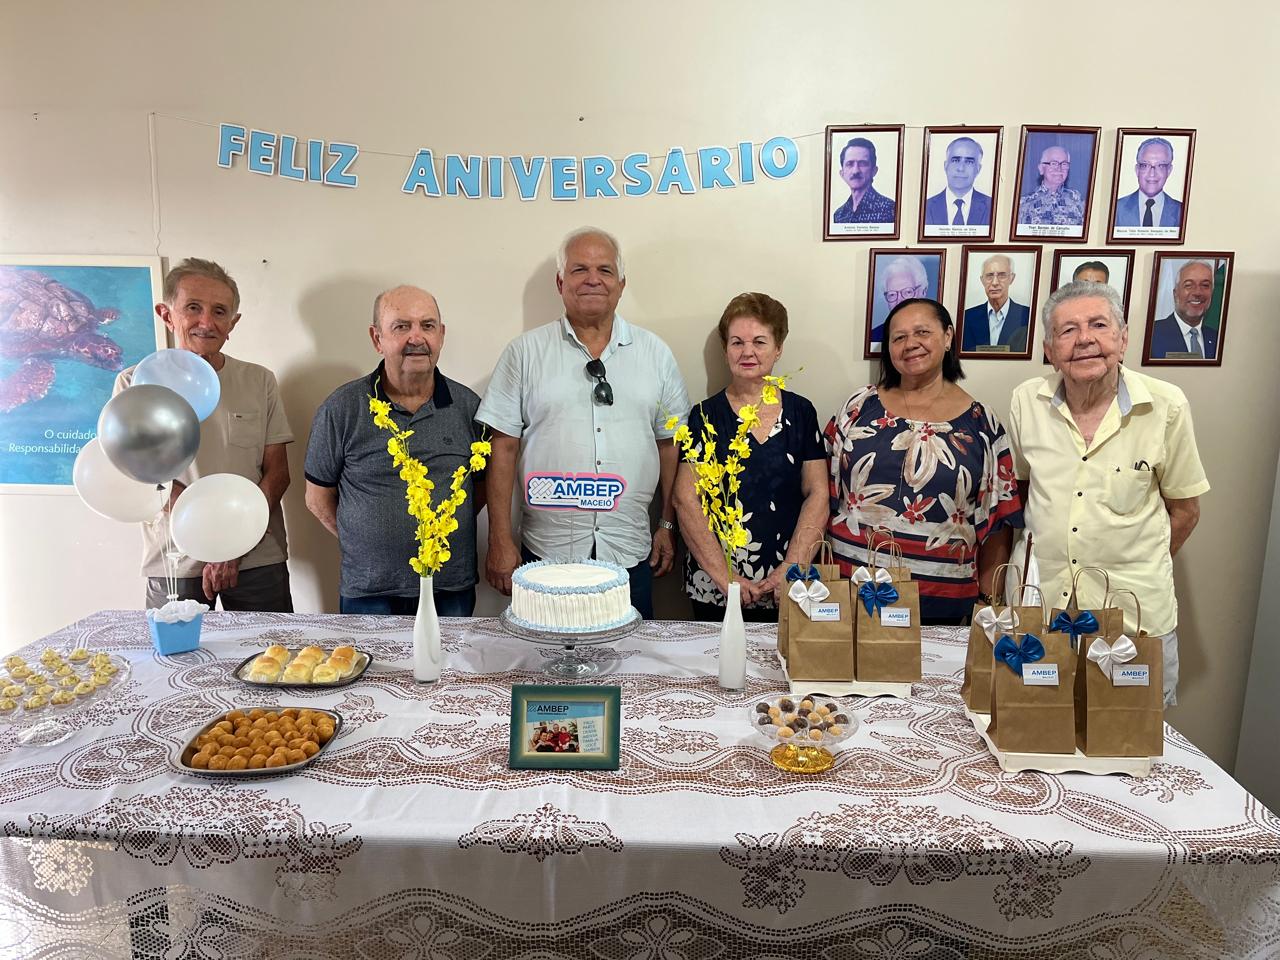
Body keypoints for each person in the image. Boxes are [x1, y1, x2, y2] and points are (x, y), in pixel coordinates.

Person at [1008, 281, 1209, 706]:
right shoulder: (1027, 401)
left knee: (1127, 748)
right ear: (1049, 348)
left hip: (1133, 620)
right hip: (1043, 612)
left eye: (1098, 325)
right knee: (1037, 732)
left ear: (1122, 338)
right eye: (1067, 330)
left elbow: (1185, 511)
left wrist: (1137, 563)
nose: (1084, 340)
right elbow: (1025, 494)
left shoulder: (1165, 406)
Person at [478, 227, 690, 619]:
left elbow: (670, 445)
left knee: (631, 668)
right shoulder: (524, 353)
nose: (593, 279)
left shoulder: (656, 355)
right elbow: (502, 448)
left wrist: (667, 524)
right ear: (560, 282)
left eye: (605, 270)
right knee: (548, 667)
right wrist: (500, 538)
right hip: (546, 552)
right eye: (579, 269)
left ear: (622, 284)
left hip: (629, 549)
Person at [825, 299, 1021, 624]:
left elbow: (998, 524)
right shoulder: (858, 406)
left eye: (922, 332)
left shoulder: (983, 423)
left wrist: (989, 601)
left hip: (943, 602)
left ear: (947, 337)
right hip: (849, 592)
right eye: (898, 337)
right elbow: (821, 491)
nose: (910, 344)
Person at [114, 258, 294, 612]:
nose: (206, 322)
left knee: (274, 660)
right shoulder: (134, 384)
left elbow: (278, 474)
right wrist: (212, 545)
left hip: (256, 555)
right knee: (173, 663)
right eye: (193, 308)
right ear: (167, 314)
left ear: (233, 323)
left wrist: (232, 547)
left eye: (219, 311)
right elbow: (147, 478)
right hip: (175, 561)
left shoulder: (259, 381)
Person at [304, 285, 485, 615]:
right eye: (401, 326)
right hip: (368, 591)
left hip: (448, 587)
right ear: (377, 338)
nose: (417, 337)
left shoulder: (468, 408)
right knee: (376, 668)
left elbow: (480, 490)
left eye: (427, 325)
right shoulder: (341, 408)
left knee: (448, 668)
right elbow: (317, 497)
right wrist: (365, 537)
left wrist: (440, 528)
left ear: (441, 336)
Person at [674, 292, 827, 622]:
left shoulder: (801, 412)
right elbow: (686, 499)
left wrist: (791, 568)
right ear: (725, 349)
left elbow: (818, 493)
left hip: (787, 585)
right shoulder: (704, 417)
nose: (747, 352)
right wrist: (725, 577)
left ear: (778, 348)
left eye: (759, 341)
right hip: (715, 588)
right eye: (737, 342)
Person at [1149, 260, 1219, 360]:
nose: (1197, 292)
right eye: (1189, 285)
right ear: (1175, 293)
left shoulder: (1217, 338)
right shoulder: (1152, 335)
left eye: (1205, 285)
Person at [961, 254, 1030, 352]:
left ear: (1012, 278)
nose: (995, 282)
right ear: (982, 280)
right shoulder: (967, 317)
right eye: (989, 276)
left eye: (1002, 275)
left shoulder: (1027, 316)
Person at [1114, 137, 1183, 229]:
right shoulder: (1116, 208)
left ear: (1169, 170)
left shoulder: (1181, 211)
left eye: (1161, 166)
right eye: (1145, 165)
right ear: (1137, 169)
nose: (1152, 174)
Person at [924, 136, 992, 227]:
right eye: (955, 160)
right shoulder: (925, 206)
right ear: (945, 166)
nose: (961, 168)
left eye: (969, 162)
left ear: (978, 169)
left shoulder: (992, 206)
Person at [832, 138, 896, 224]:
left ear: (874, 171)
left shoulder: (889, 208)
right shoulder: (839, 215)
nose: (855, 171)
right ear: (842, 173)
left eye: (862, 164)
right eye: (849, 164)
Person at [1017, 145, 1085, 226]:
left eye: (1064, 164)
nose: (1059, 168)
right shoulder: (1023, 204)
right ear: (1041, 169)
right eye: (1053, 163)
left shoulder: (1079, 201)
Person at [870, 257, 930, 347]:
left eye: (908, 292)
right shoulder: (874, 336)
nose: (899, 301)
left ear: (923, 292)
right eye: (892, 294)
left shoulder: (936, 332)